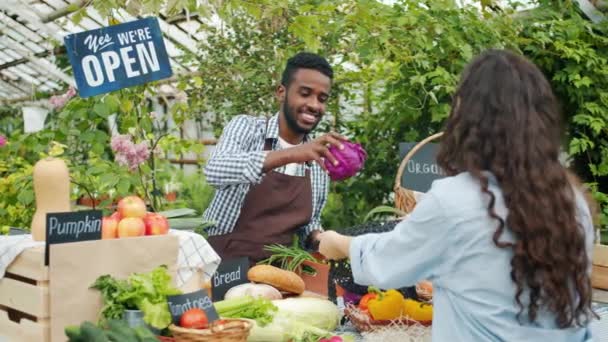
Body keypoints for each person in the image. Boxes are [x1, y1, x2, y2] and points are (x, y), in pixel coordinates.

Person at [318, 49, 596, 341]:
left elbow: (388, 261)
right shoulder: (572, 201)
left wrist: (338, 243)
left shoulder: (455, 200)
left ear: (468, 120)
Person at [203, 52, 347, 263]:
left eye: (322, 98)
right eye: (305, 93)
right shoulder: (247, 128)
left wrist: (322, 238)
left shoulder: (317, 159)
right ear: (281, 92)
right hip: (220, 265)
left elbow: (309, 222)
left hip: (276, 273)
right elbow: (214, 170)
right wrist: (291, 154)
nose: (315, 105)